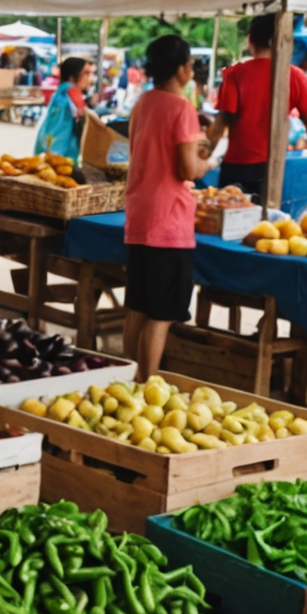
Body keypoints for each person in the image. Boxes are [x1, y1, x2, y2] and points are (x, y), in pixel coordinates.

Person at [123, 36, 209, 380]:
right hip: (168, 222)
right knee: (161, 313)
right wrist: (209, 162)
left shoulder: (143, 102)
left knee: (138, 306)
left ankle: (127, 382)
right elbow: (188, 169)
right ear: (182, 69)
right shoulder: (181, 108)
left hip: (140, 215)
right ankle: (146, 386)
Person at [207, 13, 307, 203]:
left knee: (231, 216)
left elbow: (221, 123)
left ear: (250, 41)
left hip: (236, 167)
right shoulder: (294, 75)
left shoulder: (234, 74)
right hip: (276, 168)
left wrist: (203, 157)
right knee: (271, 219)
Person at [34, 57, 100, 162]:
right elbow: (85, 113)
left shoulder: (62, 89)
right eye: (86, 73)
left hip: (47, 143)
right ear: (72, 75)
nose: (89, 78)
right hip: (60, 148)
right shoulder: (72, 89)